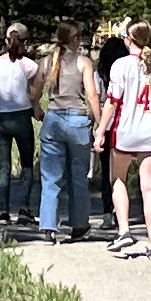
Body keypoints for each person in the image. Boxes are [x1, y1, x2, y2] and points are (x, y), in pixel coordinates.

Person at [104, 19, 151, 255]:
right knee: (149, 187)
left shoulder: (121, 65)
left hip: (126, 131)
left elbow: (112, 101)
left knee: (118, 179)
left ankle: (124, 230)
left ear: (128, 39)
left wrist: (101, 130)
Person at [37, 29, 102, 241]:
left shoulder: (46, 62)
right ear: (75, 39)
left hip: (53, 119)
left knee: (51, 177)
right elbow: (92, 95)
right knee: (78, 177)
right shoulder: (84, 63)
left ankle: (48, 227)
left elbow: (34, 93)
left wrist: (37, 110)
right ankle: (79, 225)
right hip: (78, 121)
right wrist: (100, 123)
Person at [0, 24, 40, 227]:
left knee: (4, 166)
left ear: (6, 41)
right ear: (25, 42)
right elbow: (35, 91)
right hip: (22, 117)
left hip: (1, 119)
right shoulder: (28, 65)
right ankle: (24, 209)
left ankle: (3, 213)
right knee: (27, 165)